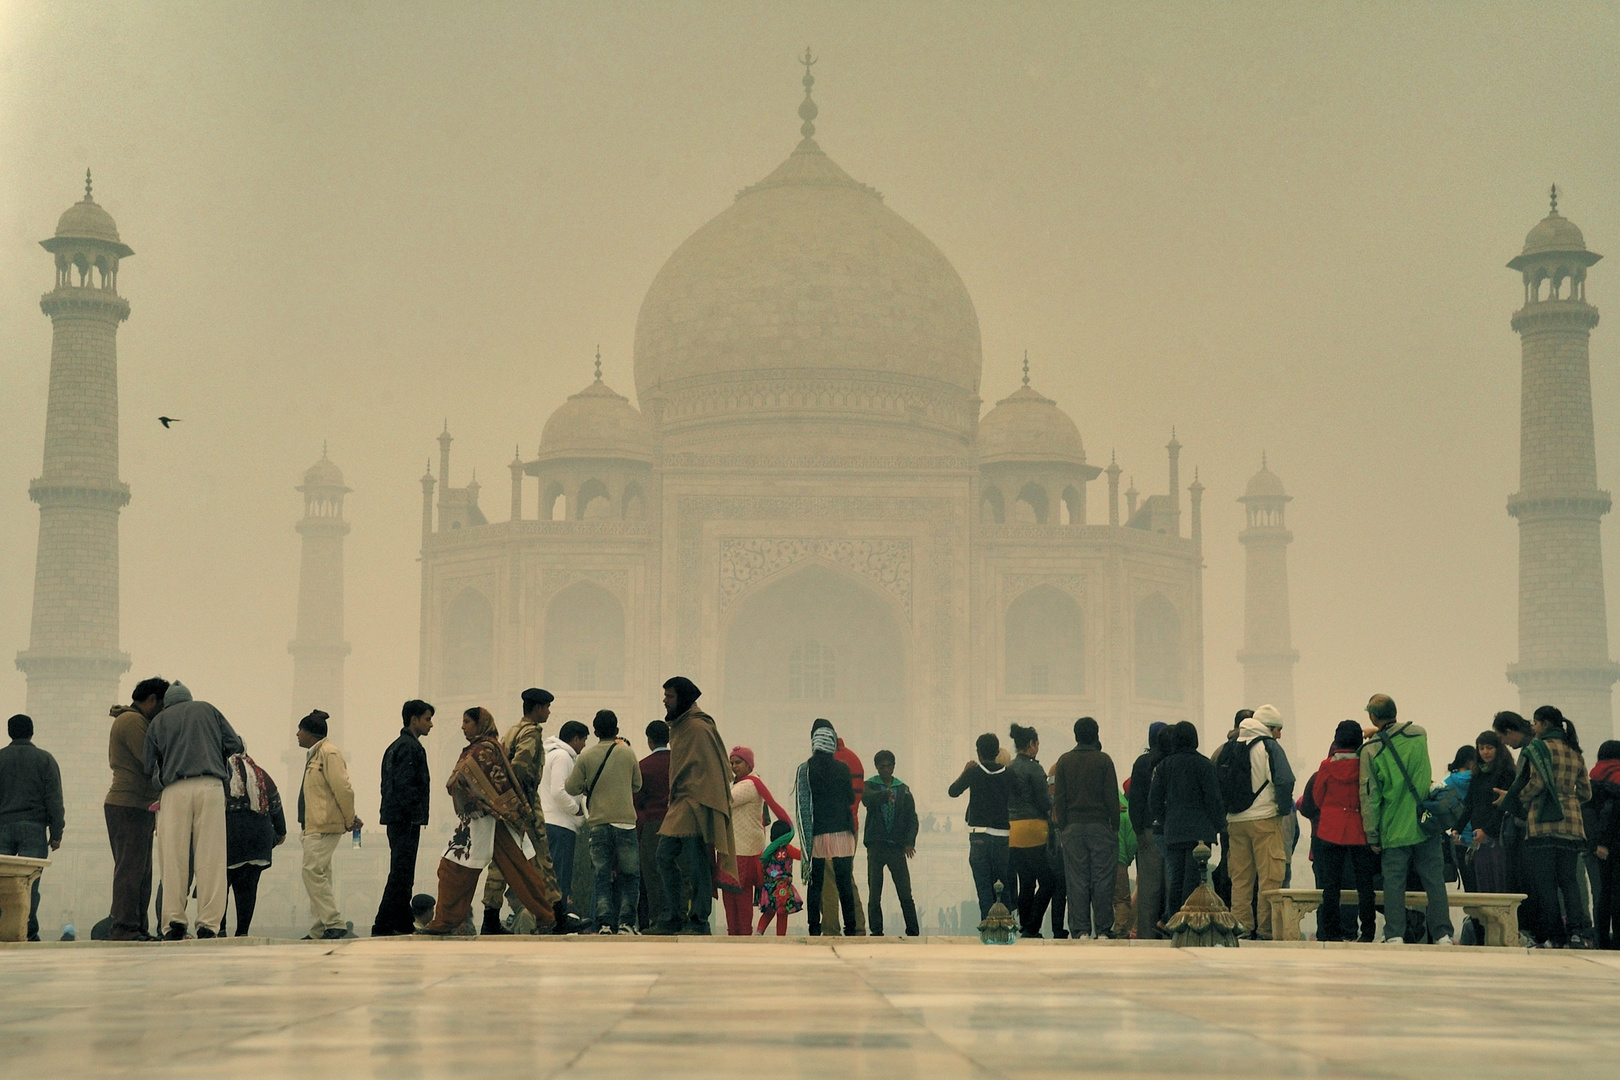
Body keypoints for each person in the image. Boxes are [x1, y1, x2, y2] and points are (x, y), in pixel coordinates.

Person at [418, 708, 555, 934]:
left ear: (479, 724)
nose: (463, 727)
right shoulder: (478, 749)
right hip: (476, 822)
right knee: (452, 869)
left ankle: (546, 916)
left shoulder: (486, 750)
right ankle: (444, 921)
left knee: (520, 871)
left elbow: (475, 781)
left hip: (494, 821)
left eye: (467, 722)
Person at [143, 682, 241, 940]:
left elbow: (147, 764)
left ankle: (174, 922)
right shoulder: (208, 710)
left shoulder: (159, 721)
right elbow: (235, 745)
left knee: (173, 859)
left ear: (167, 703)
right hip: (210, 787)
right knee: (211, 858)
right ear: (189, 698)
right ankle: (208, 924)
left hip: (174, 791)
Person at [1359, 693, 1454, 946]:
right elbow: (1398, 733)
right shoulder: (1419, 735)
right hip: (1425, 824)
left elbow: (1370, 796)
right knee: (1434, 881)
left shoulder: (1370, 750)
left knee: (1394, 884)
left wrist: (1372, 833)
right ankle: (1443, 933)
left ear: (1372, 716)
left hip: (1394, 828)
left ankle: (1395, 934)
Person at [1501, 706, 1593, 948]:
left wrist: (1521, 798)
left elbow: (1537, 783)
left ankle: (1556, 936)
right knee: (1569, 881)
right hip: (1572, 824)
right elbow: (1586, 791)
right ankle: (1577, 933)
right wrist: (1568, 801)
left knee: (1546, 884)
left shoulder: (1537, 748)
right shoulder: (1575, 751)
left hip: (1542, 823)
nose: (1533, 727)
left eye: (1535, 723)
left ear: (1542, 724)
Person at [654, 676, 736, 935]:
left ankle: (698, 919)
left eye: (670, 696)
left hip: (697, 804)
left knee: (697, 861)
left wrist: (705, 801)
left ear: (683, 698)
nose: (665, 701)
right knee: (664, 856)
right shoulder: (682, 725)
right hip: (680, 802)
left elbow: (714, 769)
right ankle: (675, 914)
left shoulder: (699, 728)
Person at [482, 687, 559, 935]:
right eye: (546, 707)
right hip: (524, 805)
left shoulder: (511, 731)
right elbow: (521, 769)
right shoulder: (531, 733)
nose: (548, 712)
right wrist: (523, 803)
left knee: (501, 860)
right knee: (542, 858)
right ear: (537, 708)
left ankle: (490, 917)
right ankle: (556, 914)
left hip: (506, 806)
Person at [1217, 703, 1294, 939]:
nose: (1280, 734)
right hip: (1264, 819)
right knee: (1270, 878)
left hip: (1235, 822)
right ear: (1268, 727)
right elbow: (1285, 780)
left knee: (1241, 879)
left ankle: (1241, 927)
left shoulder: (1230, 746)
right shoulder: (1269, 747)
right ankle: (1266, 930)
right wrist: (1281, 809)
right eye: (1278, 729)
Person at [565, 710, 645, 934]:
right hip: (625, 823)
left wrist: (589, 786)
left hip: (599, 823)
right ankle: (626, 923)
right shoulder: (627, 753)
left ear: (595, 731)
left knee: (601, 875)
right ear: (617, 731)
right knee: (630, 875)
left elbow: (571, 787)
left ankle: (604, 923)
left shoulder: (586, 757)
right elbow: (637, 785)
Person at [104, 677, 168, 940]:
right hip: (127, 803)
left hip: (138, 805)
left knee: (141, 872)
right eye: (162, 705)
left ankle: (137, 928)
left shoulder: (136, 721)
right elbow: (148, 760)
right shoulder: (132, 722)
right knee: (130, 870)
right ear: (151, 699)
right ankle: (124, 928)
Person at [1149, 720, 1226, 918]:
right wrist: (1218, 825)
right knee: (1194, 880)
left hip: (1174, 832)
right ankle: (1190, 920)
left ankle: (1174, 920)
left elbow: (1154, 802)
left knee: (1176, 879)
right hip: (1200, 833)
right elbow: (1214, 799)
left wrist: (1167, 821)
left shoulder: (1164, 766)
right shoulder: (1204, 765)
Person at [1052, 717, 1120, 937]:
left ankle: (1080, 930)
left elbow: (1059, 799)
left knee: (1077, 881)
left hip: (1072, 828)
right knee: (1102, 880)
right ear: (1096, 734)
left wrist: (1064, 827)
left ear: (1075, 735)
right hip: (1100, 827)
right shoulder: (1103, 760)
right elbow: (1111, 797)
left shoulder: (1064, 761)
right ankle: (1102, 929)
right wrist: (1115, 826)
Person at [1309, 720, 1377, 942]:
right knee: (1364, 885)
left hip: (1331, 830)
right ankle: (1367, 932)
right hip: (1359, 829)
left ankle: (1332, 932)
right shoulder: (1366, 765)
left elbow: (1317, 797)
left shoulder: (1326, 766)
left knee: (1331, 886)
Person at [295, 709, 360, 941]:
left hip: (324, 824)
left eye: (300, 730)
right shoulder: (315, 754)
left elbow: (342, 788)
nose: (297, 734)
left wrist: (350, 819)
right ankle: (320, 929)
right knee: (320, 875)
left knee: (310, 871)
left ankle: (334, 922)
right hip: (314, 824)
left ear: (310, 732)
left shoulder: (328, 753)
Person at [373, 699, 434, 937]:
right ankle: (384, 924)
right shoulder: (410, 747)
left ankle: (400, 921)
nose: (431, 724)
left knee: (402, 873)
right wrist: (412, 816)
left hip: (396, 818)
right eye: (427, 719)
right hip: (405, 819)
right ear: (414, 719)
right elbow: (405, 786)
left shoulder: (395, 746)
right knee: (401, 874)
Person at [0, 714, 63, 942]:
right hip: (34, 828)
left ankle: (2, 928)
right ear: (32, 732)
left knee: (1, 882)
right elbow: (54, 799)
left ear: (9, 732)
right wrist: (56, 833)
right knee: (30, 882)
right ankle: (28, 930)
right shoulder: (44, 760)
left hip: (2, 826)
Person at [797, 719, 861, 935]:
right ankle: (850, 927)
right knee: (844, 882)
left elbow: (803, 803)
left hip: (817, 833)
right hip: (842, 831)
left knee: (816, 884)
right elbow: (850, 797)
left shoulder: (806, 769)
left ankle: (814, 927)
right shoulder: (842, 768)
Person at [722, 745, 789, 936]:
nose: (734, 766)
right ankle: (734, 937)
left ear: (749, 764)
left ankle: (742, 938)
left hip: (744, 851)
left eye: (738, 762)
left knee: (740, 901)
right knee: (731, 899)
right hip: (736, 850)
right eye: (732, 763)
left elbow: (725, 801)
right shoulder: (741, 783)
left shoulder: (749, 785)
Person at [948, 732, 1013, 922]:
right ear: (997, 751)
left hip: (979, 836)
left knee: (984, 886)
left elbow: (953, 791)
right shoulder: (1008, 774)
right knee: (1003, 884)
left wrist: (965, 771)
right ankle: (1006, 925)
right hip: (1001, 836)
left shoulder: (974, 772)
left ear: (978, 752)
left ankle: (988, 925)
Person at [223, 747, 286, 936]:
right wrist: (280, 833)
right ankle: (242, 932)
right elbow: (275, 806)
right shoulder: (260, 774)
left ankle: (219, 929)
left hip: (228, 839)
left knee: (219, 889)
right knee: (247, 890)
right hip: (258, 840)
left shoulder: (221, 775)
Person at [863, 749, 920, 936]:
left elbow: (912, 818)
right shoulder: (870, 785)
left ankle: (913, 931)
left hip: (896, 847)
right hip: (876, 846)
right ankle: (876, 931)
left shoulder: (903, 789)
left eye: (889, 766)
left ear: (894, 767)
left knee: (905, 893)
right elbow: (867, 800)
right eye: (882, 767)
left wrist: (909, 842)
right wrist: (884, 795)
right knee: (875, 893)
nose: (886, 770)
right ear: (877, 768)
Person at [1006, 724, 1055, 938]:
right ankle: (1033, 926)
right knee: (1048, 882)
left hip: (1013, 832)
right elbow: (1043, 801)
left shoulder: (1009, 768)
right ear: (1031, 745)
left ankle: (1026, 925)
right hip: (1034, 830)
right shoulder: (1034, 769)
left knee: (1026, 882)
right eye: (1037, 744)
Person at [540, 719, 589, 929]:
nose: (585, 745)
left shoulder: (551, 754)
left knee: (551, 876)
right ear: (575, 739)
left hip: (549, 822)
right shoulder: (562, 756)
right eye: (584, 740)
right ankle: (558, 920)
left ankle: (551, 918)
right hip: (560, 824)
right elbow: (559, 791)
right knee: (560, 875)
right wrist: (577, 810)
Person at [1126, 721, 1169, 940]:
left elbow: (1136, 801)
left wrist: (1139, 831)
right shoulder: (1172, 761)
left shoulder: (1142, 763)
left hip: (1148, 834)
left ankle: (1146, 936)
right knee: (1171, 888)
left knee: (1149, 891)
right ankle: (1170, 932)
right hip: (1170, 834)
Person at [635, 719, 675, 930]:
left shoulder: (644, 766)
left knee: (652, 874)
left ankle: (657, 919)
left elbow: (637, 802)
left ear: (649, 740)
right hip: (677, 823)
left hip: (652, 825)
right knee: (676, 873)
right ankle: (677, 916)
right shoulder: (677, 763)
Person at [1464, 730, 1515, 893]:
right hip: (1480, 837)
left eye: (1489, 748)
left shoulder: (1507, 773)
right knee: (1484, 885)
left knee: (1500, 884)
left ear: (1497, 749)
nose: (1485, 752)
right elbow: (1469, 805)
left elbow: (1502, 807)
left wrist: (1486, 830)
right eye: (1481, 748)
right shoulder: (1477, 774)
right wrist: (1457, 828)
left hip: (1498, 837)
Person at [827, 734, 868, 936]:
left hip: (835, 827)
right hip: (851, 825)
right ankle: (857, 926)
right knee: (846, 876)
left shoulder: (831, 761)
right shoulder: (853, 759)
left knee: (830, 879)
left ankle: (831, 928)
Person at [1588, 740, 1620, 949]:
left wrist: (1596, 842)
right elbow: (1611, 812)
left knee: (1601, 893)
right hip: (1615, 842)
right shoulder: (1618, 776)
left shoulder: (1592, 778)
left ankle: (1601, 939)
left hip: (1596, 846)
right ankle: (1617, 940)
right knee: (1617, 893)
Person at [756, 819, 803, 935]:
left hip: (768, 887)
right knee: (782, 913)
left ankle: (758, 932)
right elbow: (801, 856)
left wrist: (762, 884)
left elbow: (760, 867)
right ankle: (780, 938)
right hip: (783, 888)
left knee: (768, 912)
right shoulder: (787, 848)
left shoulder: (766, 850)